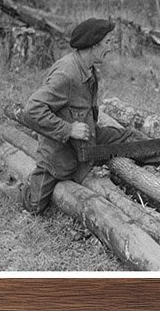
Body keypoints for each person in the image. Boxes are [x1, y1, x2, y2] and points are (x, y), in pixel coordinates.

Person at [12, 17, 141, 216]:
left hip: (86, 141)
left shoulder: (87, 69)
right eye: (108, 42)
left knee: (124, 137)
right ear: (93, 45)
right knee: (34, 205)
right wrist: (68, 129)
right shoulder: (66, 74)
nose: (111, 47)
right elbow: (33, 110)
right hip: (58, 156)